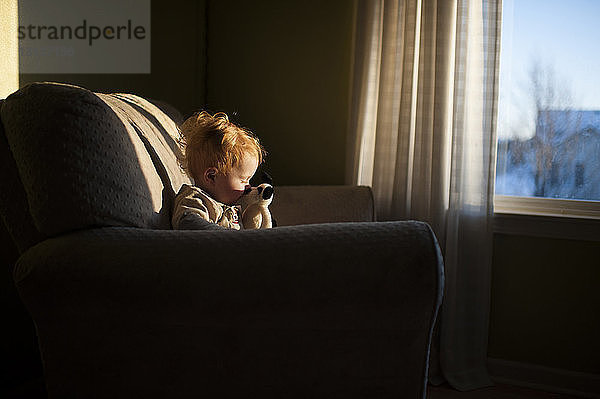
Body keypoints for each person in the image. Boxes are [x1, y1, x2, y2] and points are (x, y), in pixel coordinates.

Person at [172, 111, 266, 230]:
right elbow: (188, 223)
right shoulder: (196, 200)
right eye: (243, 180)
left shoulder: (232, 207)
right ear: (212, 176)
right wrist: (226, 235)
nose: (248, 186)